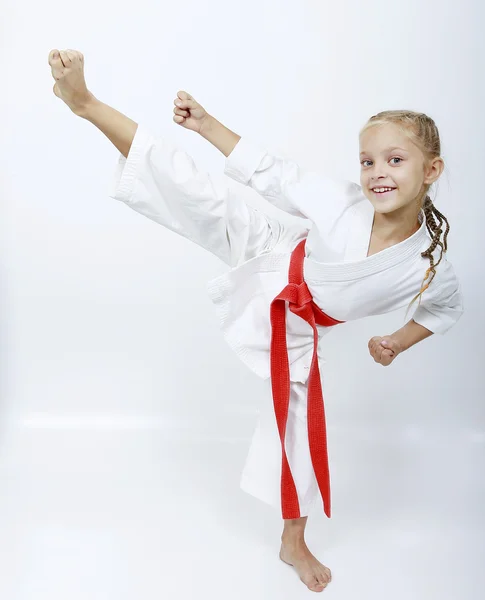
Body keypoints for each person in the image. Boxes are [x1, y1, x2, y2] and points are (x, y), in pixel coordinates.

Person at [48, 48, 464, 593]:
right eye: (367, 161)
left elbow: (444, 309)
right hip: (273, 252)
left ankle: (294, 539)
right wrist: (205, 125)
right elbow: (275, 175)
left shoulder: (429, 263)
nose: (377, 173)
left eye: (394, 160)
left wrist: (397, 341)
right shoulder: (342, 204)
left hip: (300, 322)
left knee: (298, 429)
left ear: (431, 170)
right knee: (194, 189)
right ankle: (86, 103)